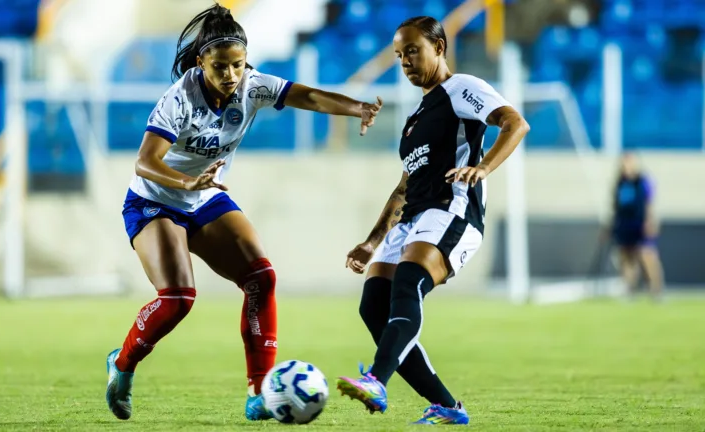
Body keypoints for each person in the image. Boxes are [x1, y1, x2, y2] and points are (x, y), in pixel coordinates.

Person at [105, 3, 383, 421]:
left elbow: (303, 94)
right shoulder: (180, 97)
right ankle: (122, 364)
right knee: (179, 298)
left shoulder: (252, 85)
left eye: (237, 65)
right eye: (220, 67)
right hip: (155, 199)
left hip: (204, 197)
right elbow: (145, 161)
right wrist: (186, 182)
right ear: (201, 63)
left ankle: (259, 393)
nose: (230, 75)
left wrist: (355, 107)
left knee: (260, 278)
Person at [336, 16, 529, 425]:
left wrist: (484, 168)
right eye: (399, 54)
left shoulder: (462, 89)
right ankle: (447, 405)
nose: (405, 61)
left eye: (413, 50)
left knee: (409, 284)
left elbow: (515, 123)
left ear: (439, 47)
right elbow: (404, 186)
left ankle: (375, 379)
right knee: (373, 307)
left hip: (452, 209)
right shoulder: (414, 120)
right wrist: (372, 241)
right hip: (412, 218)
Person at [609, 153, 664, 300]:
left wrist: (650, 221)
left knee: (647, 255)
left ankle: (656, 290)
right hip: (624, 224)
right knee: (626, 257)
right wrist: (611, 225)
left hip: (640, 223)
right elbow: (615, 206)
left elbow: (649, 203)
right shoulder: (620, 183)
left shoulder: (643, 181)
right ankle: (629, 289)